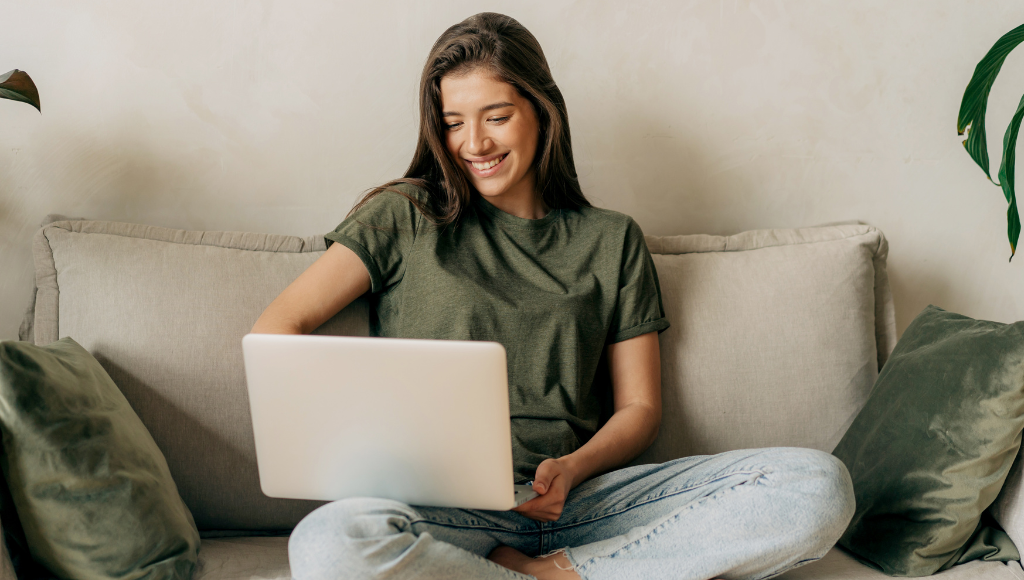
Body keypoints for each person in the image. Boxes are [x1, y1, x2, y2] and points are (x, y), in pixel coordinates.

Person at [250, 12, 855, 580]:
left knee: (817, 485)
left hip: (585, 502)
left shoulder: (612, 239)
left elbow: (640, 408)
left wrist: (572, 468)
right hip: (446, 508)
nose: (473, 144)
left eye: (496, 116)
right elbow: (278, 330)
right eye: (454, 123)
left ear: (542, 111)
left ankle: (560, 569)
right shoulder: (405, 215)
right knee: (328, 542)